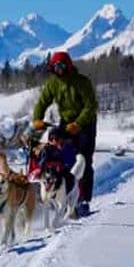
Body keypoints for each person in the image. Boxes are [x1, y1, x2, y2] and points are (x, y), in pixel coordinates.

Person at [32, 51, 98, 216]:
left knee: (85, 161)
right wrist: (37, 119)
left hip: (86, 124)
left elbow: (91, 106)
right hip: (66, 123)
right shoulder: (53, 84)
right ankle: (58, 192)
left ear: (68, 66)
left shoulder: (82, 82)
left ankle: (83, 200)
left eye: (61, 66)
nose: (59, 70)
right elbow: (42, 102)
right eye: (55, 67)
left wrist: (79, 123)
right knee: (58, 155)